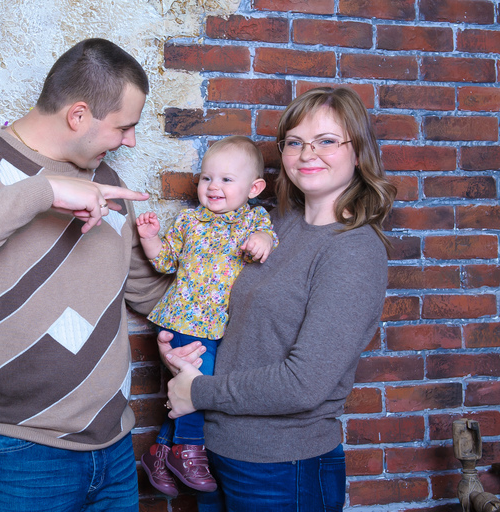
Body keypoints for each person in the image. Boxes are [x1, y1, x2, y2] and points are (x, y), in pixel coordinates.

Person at [0, 38, 176, 512]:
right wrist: (42, 191)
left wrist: (200, 312)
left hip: (113, 451)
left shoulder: (109, 183)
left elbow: (145, 291)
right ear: (78, 115)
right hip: (13, 455)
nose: (130, 141)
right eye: (124, 127)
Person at [159, 86, 396, 511]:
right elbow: (216, 306)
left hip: (284, 466)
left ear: (359, 152)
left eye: (326, 141)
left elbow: (303, 384)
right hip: (217, 453)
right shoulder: (274, 226)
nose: (307, 154)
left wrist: (199, 391)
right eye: (295, 142)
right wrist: (183, 347)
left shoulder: (353, 250)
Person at [136, 136, 278, 497]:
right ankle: (189, 449)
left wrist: (262, 240)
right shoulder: (189, 220)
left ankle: (160, 452)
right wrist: (151, 238)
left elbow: (269, 239)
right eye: (206, 178)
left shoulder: (255, 220)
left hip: (218, 324)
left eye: (226, 179)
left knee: (198, 382)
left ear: (254, 188)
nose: (213, 186)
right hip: (184, 316)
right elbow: (166, 262)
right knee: (197, 385)